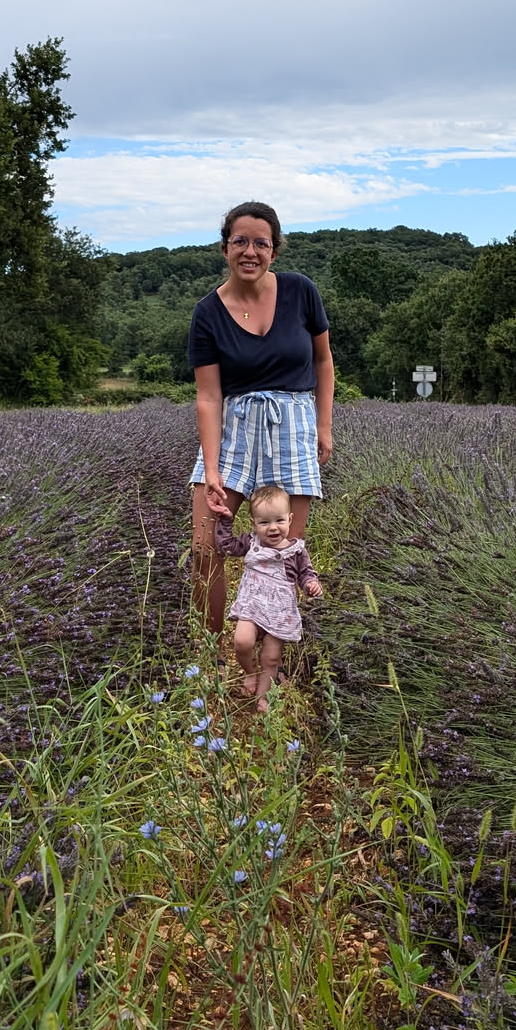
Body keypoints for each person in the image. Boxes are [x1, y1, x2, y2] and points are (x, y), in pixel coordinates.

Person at [188, 202, 334, 633]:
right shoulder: (207, 312)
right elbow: (208, 396)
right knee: (204, 548)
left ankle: (273, 658)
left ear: (274, 250)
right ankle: (212, 652)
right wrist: (211, 468)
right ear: (225, 248)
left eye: (261, 243)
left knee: (284, 552)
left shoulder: (301, 291)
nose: (250, 251)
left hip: (292, 424)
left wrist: (323, 426)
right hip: (234, 428)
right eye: (240, 241)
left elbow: (324, 361)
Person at [213, 486, 323, 708]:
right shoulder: (251, 543)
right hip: (252, 606)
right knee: (242, 642)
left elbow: (305, 574)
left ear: (290, 519)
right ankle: (251, 672)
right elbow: (226, 546)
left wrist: (310, 585)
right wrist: (226, 521)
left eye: (279, 520)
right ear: (254, 523)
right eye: (264, 522)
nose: (273, 528)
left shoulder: (296, 551)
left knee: (271, 658)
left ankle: (262, 698)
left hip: (279, 613)